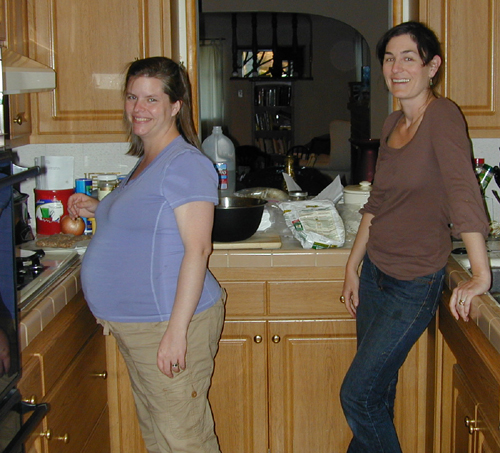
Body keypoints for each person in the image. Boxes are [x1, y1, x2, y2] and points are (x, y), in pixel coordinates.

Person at [339, 21, 491, 453]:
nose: (396, 68)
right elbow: (377, 202)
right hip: (375, 275)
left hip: (412, 285)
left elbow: (463, 191)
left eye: (409, 57)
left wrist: (480, 274)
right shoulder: (390, 124)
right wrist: (352, 266)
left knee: (356, 395)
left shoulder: (442, 116)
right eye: (389, 58)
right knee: (376, 398)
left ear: (432, 66)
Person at [68, 57, 225, 453]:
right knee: (160, 437)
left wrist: (176, 333)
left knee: (185, 440)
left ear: (176, 106)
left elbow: (198, 248)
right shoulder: (147, 161)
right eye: (133, 97)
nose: (139, 108)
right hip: (142, 326)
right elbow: (150, 218)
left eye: (152, 100)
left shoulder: (186, 163)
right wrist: (97, 208)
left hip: (165, 323)